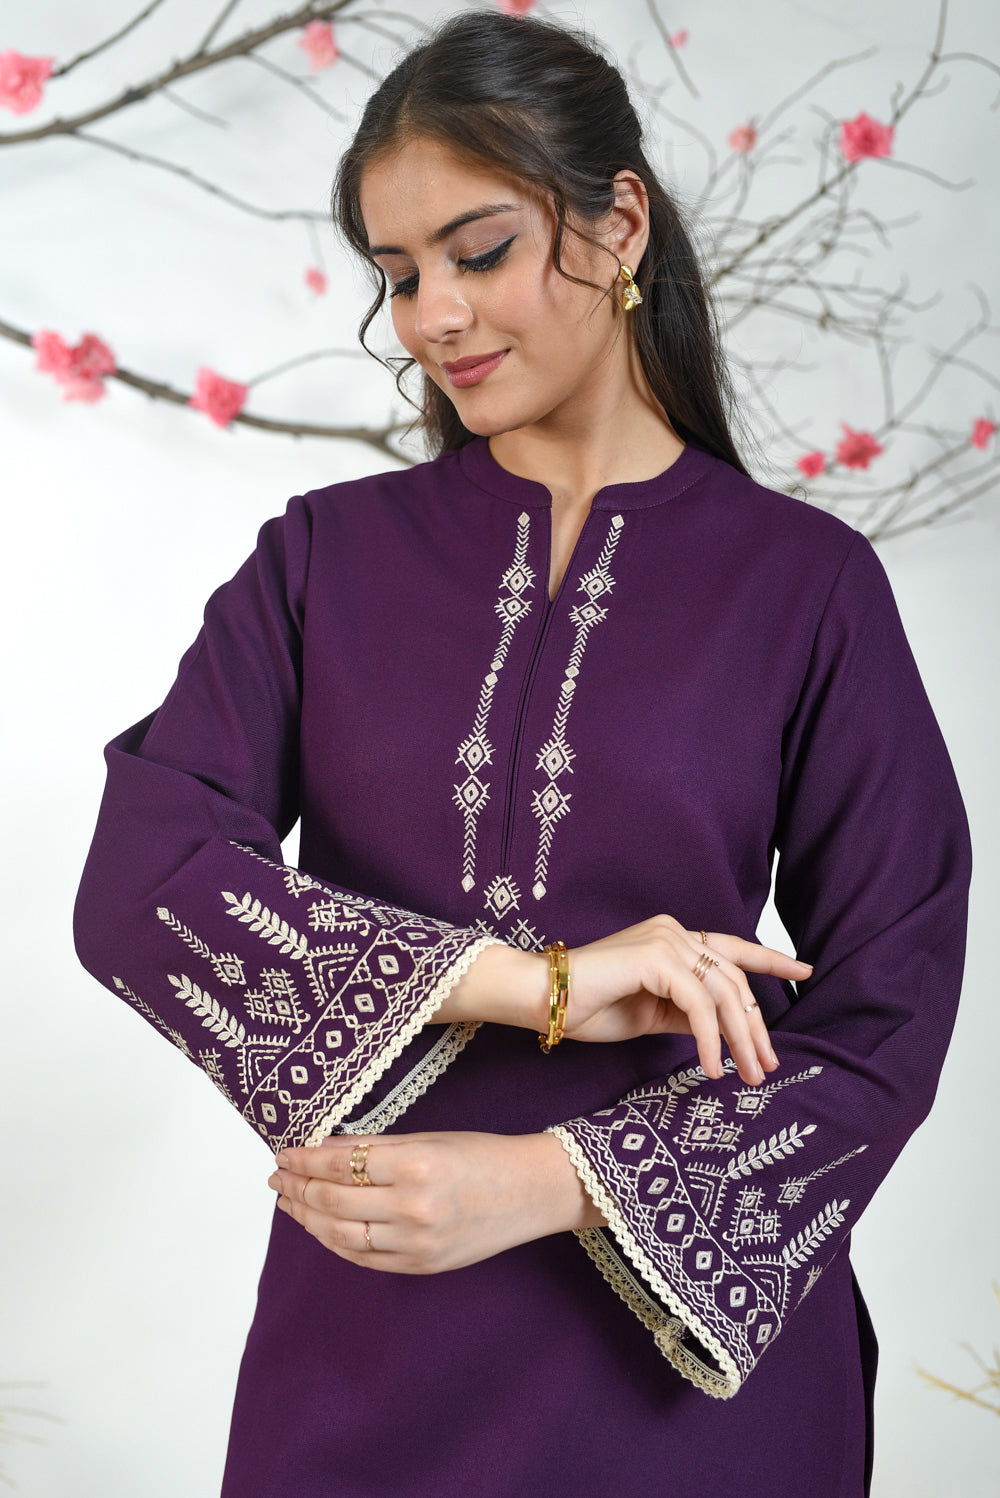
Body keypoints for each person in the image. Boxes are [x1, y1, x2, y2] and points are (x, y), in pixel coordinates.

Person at [73, 11, 971, 1497]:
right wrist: (541, 984)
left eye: (478, 251)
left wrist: (549, 1181)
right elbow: (140, 882)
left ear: (619, 224)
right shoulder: (324, 562)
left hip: (689, 1387)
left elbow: (888, 1009)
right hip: (366, 1345)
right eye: (398, 273)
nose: (433, 314)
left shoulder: (804, 586)